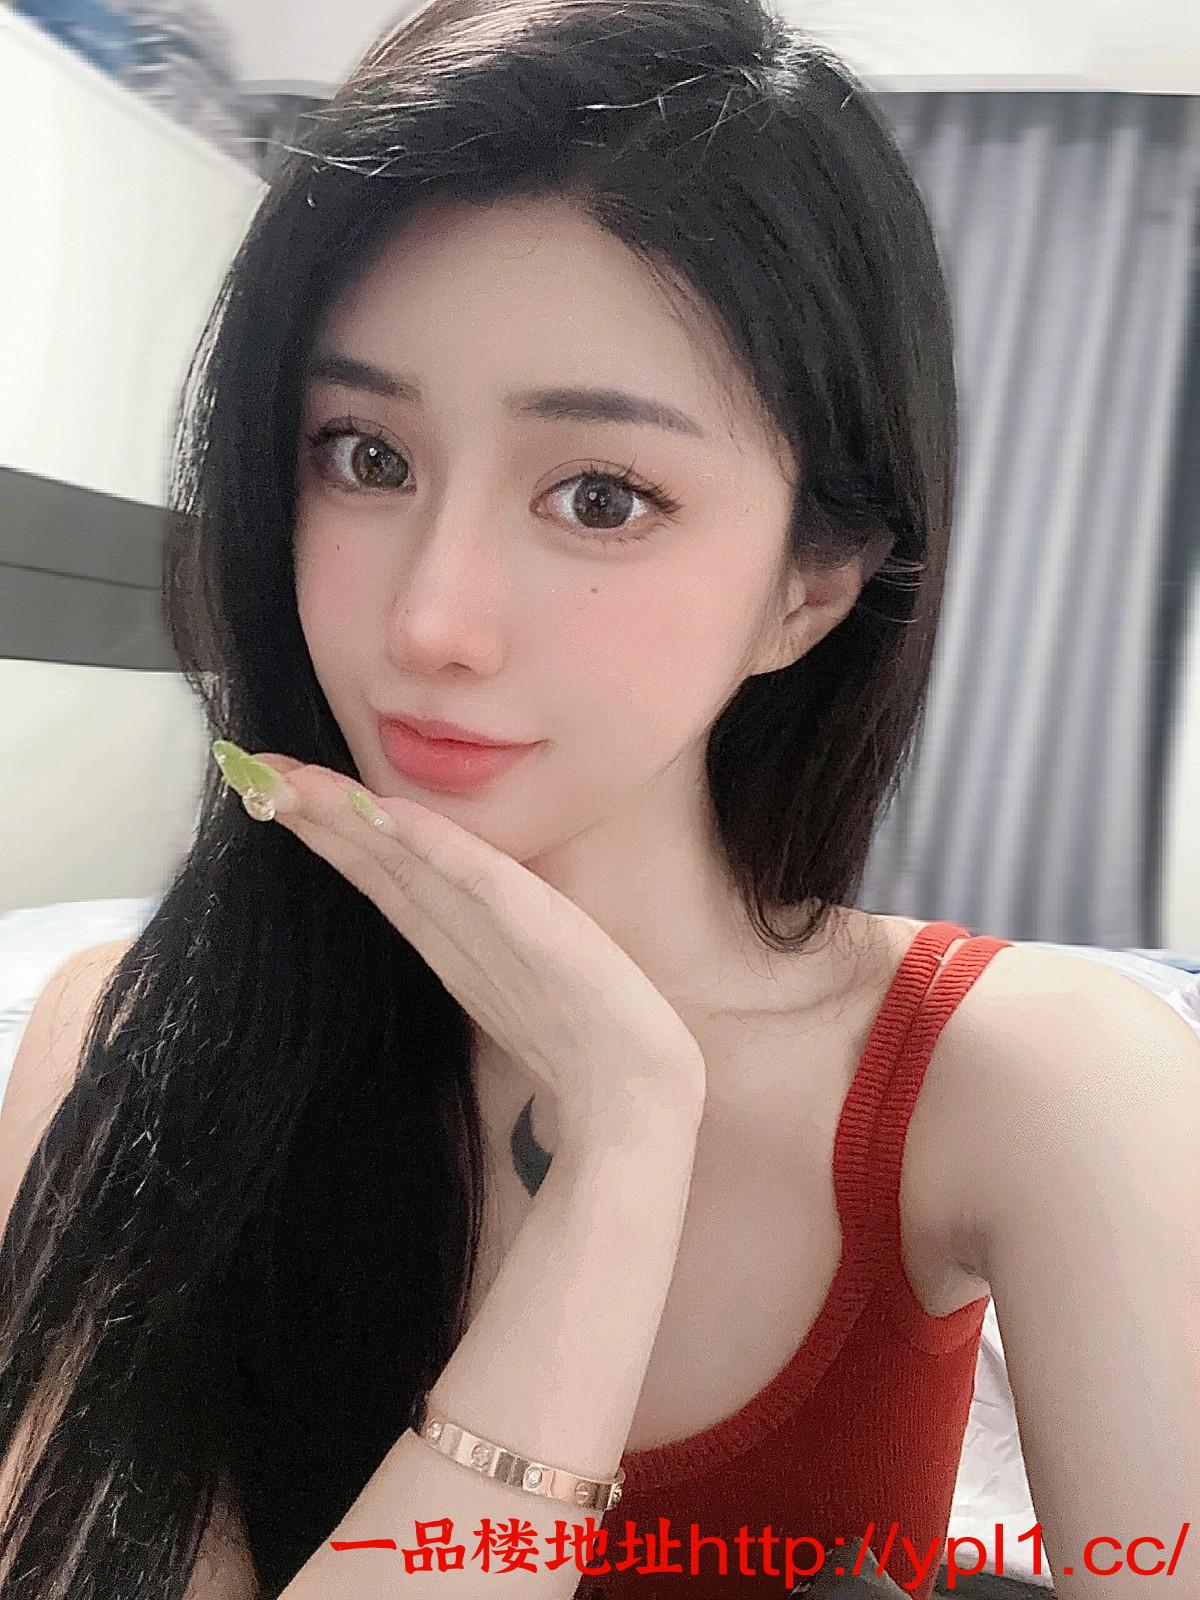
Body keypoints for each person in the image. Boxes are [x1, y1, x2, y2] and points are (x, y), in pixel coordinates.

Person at [1, 1, 1197, 1596]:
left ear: (812, 586)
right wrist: (624, 1148)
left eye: (602, 496)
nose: (432, 622)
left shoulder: (1037, 1075)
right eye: (365, 457)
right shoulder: (133, 1042)